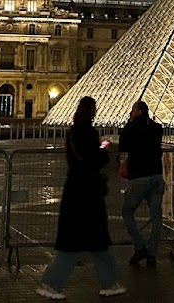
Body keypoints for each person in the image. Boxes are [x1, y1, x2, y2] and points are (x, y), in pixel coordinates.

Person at [36, 96, 126, 300]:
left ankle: (110, 283)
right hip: (87, 192)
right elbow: (95, 158)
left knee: (95, 241)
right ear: (91, 111)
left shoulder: (73, 132)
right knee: (81, 242)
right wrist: (104, 148)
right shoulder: (87, 132)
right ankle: (51, 283)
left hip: (76, 190)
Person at [119, 100, 165, 266]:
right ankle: (152, 255)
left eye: (132, 110)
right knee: (156, 216)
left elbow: (122, 145)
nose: (131, 112)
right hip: (157, 176)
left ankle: (140, 247)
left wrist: (128, 124)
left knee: (127, 211)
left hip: (140, 177)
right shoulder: (157, 127)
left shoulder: (131, 128)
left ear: (138, 111)